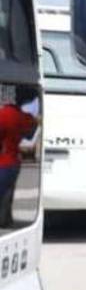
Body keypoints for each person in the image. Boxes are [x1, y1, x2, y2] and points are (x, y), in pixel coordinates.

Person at [0, 94, 36, 227]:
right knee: (7, 193)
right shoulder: (25, 117)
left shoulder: (2, 114)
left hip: (2, 160)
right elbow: (30, 134)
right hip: (14, 161)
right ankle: (5, 220)